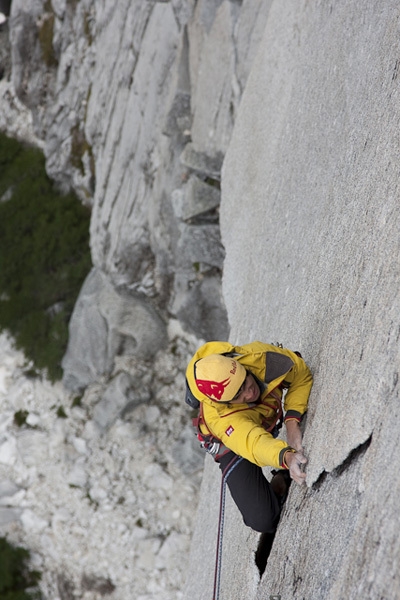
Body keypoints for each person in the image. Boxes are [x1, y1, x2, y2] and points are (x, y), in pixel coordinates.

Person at [185, 340, 313, 534]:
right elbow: (252, 442)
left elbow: (299, 372)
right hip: (230, 442)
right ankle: (279, 481)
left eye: (245, 381)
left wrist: (292, 421)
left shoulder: (255, 357)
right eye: (238, 394)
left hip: (259, 417)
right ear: (225, 401)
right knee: (263, 519)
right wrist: (285, 457)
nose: (249, 391)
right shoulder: (222, 418)